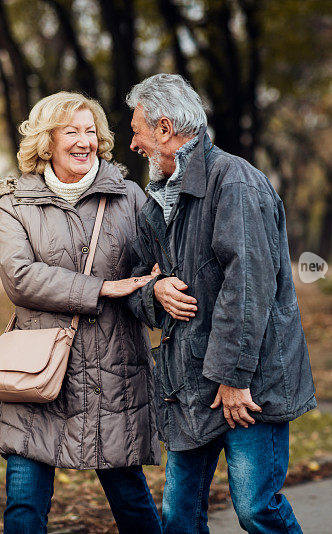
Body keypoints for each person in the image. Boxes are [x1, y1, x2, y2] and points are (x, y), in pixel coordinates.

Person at [125, 74, 317, 534]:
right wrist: (152, 292)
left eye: (137, 131)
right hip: (188, 382)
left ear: (165, 129)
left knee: (256, 510)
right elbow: (129, 282)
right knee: (179, 517)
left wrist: (233, 378)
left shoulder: (236, 183)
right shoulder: (157, 204)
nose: (132, 143)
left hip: (248, 383)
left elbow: (249, 289)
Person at [0, 91, 162, 534]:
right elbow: (19, 278)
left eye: (91, 131)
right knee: (24, 507)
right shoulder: (15, 203)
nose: (84, 141)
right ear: (47, 141)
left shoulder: (130, 198)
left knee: (132, 502)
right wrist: (102, 287)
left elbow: (151, 272)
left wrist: (156, 285)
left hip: (114, 371)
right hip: (40, 374)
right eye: (72, 131)